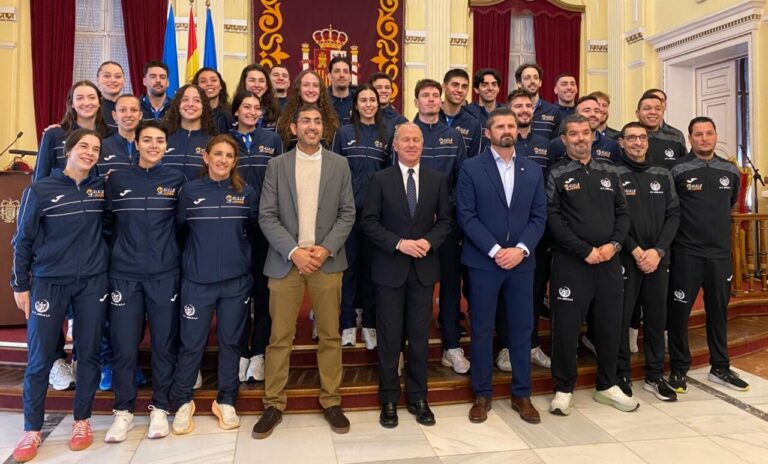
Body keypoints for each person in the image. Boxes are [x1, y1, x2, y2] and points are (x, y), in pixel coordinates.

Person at [253, 104, 355, 439]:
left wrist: (324, 249)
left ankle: (331, 400)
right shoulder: (277, 165)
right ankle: (273, 403)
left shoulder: (339, 165)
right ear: (293, 128)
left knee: (329, 334)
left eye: (317, 122)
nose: (312, 126)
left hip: (327, 260)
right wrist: (295, 252)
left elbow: (347, 213)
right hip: (286, 261)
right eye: (305, 121)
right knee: (279, 336)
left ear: (324, 129)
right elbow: (266, 215)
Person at [11, 129, 108, 461]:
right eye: (84, 146)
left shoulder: (101, 189)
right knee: (39, 359)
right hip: (48, 283)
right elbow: (22, 240)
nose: (90, 152)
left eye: (95, 148)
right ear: (68, 150)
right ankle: (32, 429)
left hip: (92, 283)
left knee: (89, 354)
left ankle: (82, 420)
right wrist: (19, 285)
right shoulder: (39, 190)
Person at [457, 108, 546, 425]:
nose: (507, 129)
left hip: (522, 264)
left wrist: (520, 250)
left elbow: (539, 217)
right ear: (488, 132)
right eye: (500, 125)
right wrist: (496, 250)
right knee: (482, 329)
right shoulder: (471, 168)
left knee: (522, 330)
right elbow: (466, 215)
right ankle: (482, 394)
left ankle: (522, 394)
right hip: (484, 263)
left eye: (511, 125)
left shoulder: (532, 170)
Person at [362, 122, 452, 428]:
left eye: (416, 140)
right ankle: (388, 398)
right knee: (389, 339)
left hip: (424, 270)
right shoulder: (380, 179)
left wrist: (429, 241)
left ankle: (418, 397)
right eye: (405, 140)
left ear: (422, 145)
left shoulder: (437, 180)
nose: (411, 144)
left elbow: (446, 222)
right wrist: (399, 243)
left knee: (419, 337)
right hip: (390, 269)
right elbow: (369, 222)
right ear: (395, 146)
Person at [102, 120, 187, 442]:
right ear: (135, 144)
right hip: (124, 275)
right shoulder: (117, 179)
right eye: (147, 140)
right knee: (124, 346)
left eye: (159, 140)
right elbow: (106, 223)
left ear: (167, 146)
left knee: (164, 344)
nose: (153, 145)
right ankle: (123, 412)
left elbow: (181, 226)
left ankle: (160, 408)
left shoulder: (176, 179)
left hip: (165, 274)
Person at [546, 114, 637, 415]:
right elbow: (552, 218)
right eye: (574, 134)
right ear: (564, 139)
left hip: (609, 262)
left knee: (611, 326)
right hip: (572, 263)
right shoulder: (556, 173)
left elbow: (623, 212)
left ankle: (607, 385)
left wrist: (613, 246)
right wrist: (584, 250)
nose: (581, 138)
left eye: (586, 133)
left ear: (593, 136)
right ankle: (563, 388)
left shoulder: (610, 171)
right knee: (567, 330)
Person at [171, 135, 260, 435]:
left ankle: (226, 399)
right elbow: (180, 231)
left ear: (235, 161)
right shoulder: (189, 191)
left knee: (230, 342)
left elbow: (252, 231)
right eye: (217, 154)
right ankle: (183, 401)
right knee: (191, 344)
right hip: (197, 282)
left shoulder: (246, 193)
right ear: (206, 157)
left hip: (236, 283)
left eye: (229, 156)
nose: (223, 160)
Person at [667, 117, 749, 393]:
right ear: (690, 139)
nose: (704, 138)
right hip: (687, 253)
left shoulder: (730, 171)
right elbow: (672, 210)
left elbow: (729, 205)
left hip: (720, 255)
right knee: (679, 314)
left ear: (715, 136)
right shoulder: (677, 170)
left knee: (718, 312)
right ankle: (679, 368)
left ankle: (720, 367)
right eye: (698, 134)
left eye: (709, 133)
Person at [614, 122, 680, 401]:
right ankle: (621, 374)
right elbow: (613, 218)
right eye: (631, 138)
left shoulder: (662, 174)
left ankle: (654, 375)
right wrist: (635, 250)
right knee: (621, 318)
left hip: (657, 259)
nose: (637, 142)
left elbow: (674, 214)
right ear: (621, 143)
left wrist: (659, 250)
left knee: (656, 318)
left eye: (642, 138)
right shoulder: (612, 174)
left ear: (647, 142)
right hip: (627, 258)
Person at [410, 79, 469, 374]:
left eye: (435, 95)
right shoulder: (405, 135)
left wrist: (445, 214)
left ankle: (451, 346)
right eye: (425, 96)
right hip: (410, 227)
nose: (431, 100)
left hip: (445, 226)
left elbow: (462, 180)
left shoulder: (454, 137)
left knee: (449, 285)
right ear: (416, 101)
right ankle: (403, 345)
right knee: (411, 286)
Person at [227, 91, 284, 383]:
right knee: (237, 293)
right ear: (235, 112)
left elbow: (280, 180)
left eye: (256, 107)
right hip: (233, 226)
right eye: (245, 107)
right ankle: (239, 352)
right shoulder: (225, 141)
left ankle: (259, 352)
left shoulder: (272, 140)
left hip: (265, 227)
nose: (251, 111)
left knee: (263, 292)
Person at [331, 84, 391, 349]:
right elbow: (333, 174)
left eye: (372, 100)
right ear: (356, 105)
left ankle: (369, 324)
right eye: (363, 100)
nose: (368, 104)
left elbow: (391, 175)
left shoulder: (387, 134)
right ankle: (346, 323)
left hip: (376, 216)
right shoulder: (343, 134)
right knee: (349, 269)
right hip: (348, 215)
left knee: (371, 270)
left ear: (378, 104)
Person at [504, 89, 552, 371]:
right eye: (517, 105)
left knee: (533, 292)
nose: (523, 109)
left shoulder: (548, 144)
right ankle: (507, 347)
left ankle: (532, 345)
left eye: (527, 105)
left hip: (535, 231)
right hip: (503, 233)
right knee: (502, 295)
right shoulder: (502, 143)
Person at [34, 80, 110, 181]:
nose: (86, 103)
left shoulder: (113, 134)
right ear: (72, 103)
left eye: (92, 97)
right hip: (63, 195)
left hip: (100, 195)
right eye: (79, 98)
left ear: (99, 102)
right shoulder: (54, 134)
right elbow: (39, 178)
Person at [276, 70, 340, 150]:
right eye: (306, 85)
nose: (311, 90)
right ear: (299, 89)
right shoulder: (285, 119)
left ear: (321, 90)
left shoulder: (332, 119)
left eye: (315, 86)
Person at [162, 84, 216, 179]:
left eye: (197, 100)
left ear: (204, 107)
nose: (190, 104)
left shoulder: (213, 143)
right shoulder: (163, 139)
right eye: (185, 99)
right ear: (178, 105)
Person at [549, 95, 621, 165]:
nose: (593, 114)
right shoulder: (557, 144)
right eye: (587, 111)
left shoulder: (611, 145)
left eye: (596, 111)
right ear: (576, 114)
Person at [440, 69, 482, 158]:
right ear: (444, 87)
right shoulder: (430, 117)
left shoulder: (473, 124)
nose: (459, 90)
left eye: (464, 86)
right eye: (455, 85)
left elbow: (472, 161)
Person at [636, 94, 687, 167]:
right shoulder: (628, 137)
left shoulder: (675, 137)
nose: (653, 112)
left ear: (662, 113)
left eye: (658, 109)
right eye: (647, 108)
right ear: (637, 113)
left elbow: (683, 166)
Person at [97, 94, 141, 176]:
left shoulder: (149, 147)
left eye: (134, 110)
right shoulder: (101, 147)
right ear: (114, 115)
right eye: (122, 110)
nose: (128, 115)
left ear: (140, 115)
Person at [514, 63, 560, 140]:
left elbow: (556, 142)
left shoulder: (553, 111)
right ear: (519, 83)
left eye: (536, 78)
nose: (532, 81)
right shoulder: (510, 110)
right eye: (527, 78)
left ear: (540, 82)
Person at [234, 64, 281, 131]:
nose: (257, 85)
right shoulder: (232, 110)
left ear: (267, 85)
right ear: (244, 83)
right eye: (252, 80)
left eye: (261, 81)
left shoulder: (276, 111)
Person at [466, 68, 504, 152]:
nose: (490, 88)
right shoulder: (466, 113)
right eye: (485, 85)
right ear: (476, 89)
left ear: (498, 88)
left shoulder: (506, 113)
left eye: (494, 84)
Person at [193, 67, 235, 135]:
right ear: (196, 87)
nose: (209, 84)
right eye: (203, 81)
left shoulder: (230, 114)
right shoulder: (191, 114)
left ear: (220, 85)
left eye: (214, 80)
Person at [96, 61, 126, 128]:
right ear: (97, 80)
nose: (113, 80)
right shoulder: (91, 107)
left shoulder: (133, 107)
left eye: (118, 76)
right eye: (106, 76)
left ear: (124, 81)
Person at [328, 56, 355, 125]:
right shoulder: (321, 101)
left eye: (345, 71)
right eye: (337, 71)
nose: (342, 75)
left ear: (350, 77)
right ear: (329, 76)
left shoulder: (359, 100)